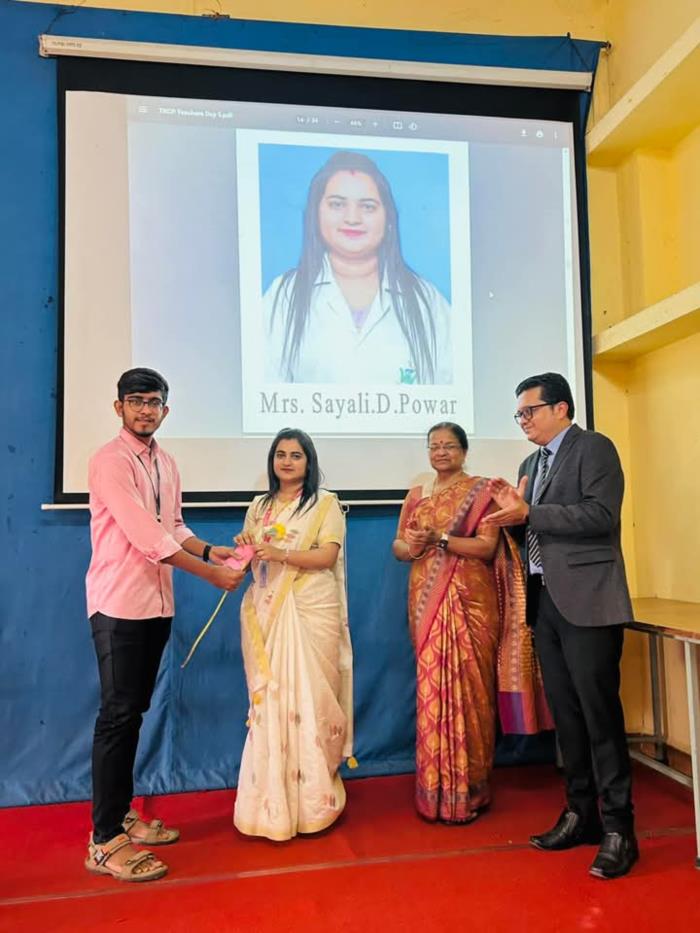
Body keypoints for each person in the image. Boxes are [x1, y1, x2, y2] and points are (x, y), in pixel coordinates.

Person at [84, 368, 245, 882]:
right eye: (136, 401)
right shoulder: (110, 461)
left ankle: (119, 814)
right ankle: (103, 840)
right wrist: (211, 574)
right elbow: (145, 537)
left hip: (156, 604)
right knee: (117, 716)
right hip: (119, 605)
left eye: (154, 403)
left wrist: (211, 550)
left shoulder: (166, 462)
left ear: (166, 410)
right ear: (119, 408)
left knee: (132, 714)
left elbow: (172, 527)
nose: (145, 410)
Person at [485, 372, 638, 879]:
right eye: (518, 414)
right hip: (545, 601)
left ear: (561, 408)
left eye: (529, 411)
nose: (523, 421)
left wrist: (531, 512)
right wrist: (512, 519)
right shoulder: (530, 465)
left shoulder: (594, 448)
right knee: (567, 718)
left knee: (599, 716)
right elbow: (533, 529)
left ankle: (620, 829)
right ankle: (580, 814)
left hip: (589, 601)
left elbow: (600, 516)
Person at [393, 422, 551, 824]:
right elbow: (399, 546)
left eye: (449, 446)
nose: (441, 452)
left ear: (463, 451)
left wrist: (440, 539)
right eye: (434, 446)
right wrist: (412, 545)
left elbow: (485, 546)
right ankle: (434, 790)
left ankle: (470, 789)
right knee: (432, 689)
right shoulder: (416, 494)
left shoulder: (482, 491)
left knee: (472, 691)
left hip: (471, 601)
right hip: (426, 600)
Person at [233, 428, 353, 840]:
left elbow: (327, 555)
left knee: (312, 699)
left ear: (308, 461)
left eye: (295, 455)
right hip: (269, 609)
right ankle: (268, 806)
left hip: (310, 607)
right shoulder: (260, 506)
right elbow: (248, 559)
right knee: (273, 697)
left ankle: (315, 802)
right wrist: (245, 547)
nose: (286, 461)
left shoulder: (325, 504)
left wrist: (281, 553)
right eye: (280, 454)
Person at [265, 150, 451, 385]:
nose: (352, 218)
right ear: (316, 214)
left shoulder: (426, 300)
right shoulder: (285, 295)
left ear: (388, 219)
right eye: (337, 204)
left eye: (368, 207)